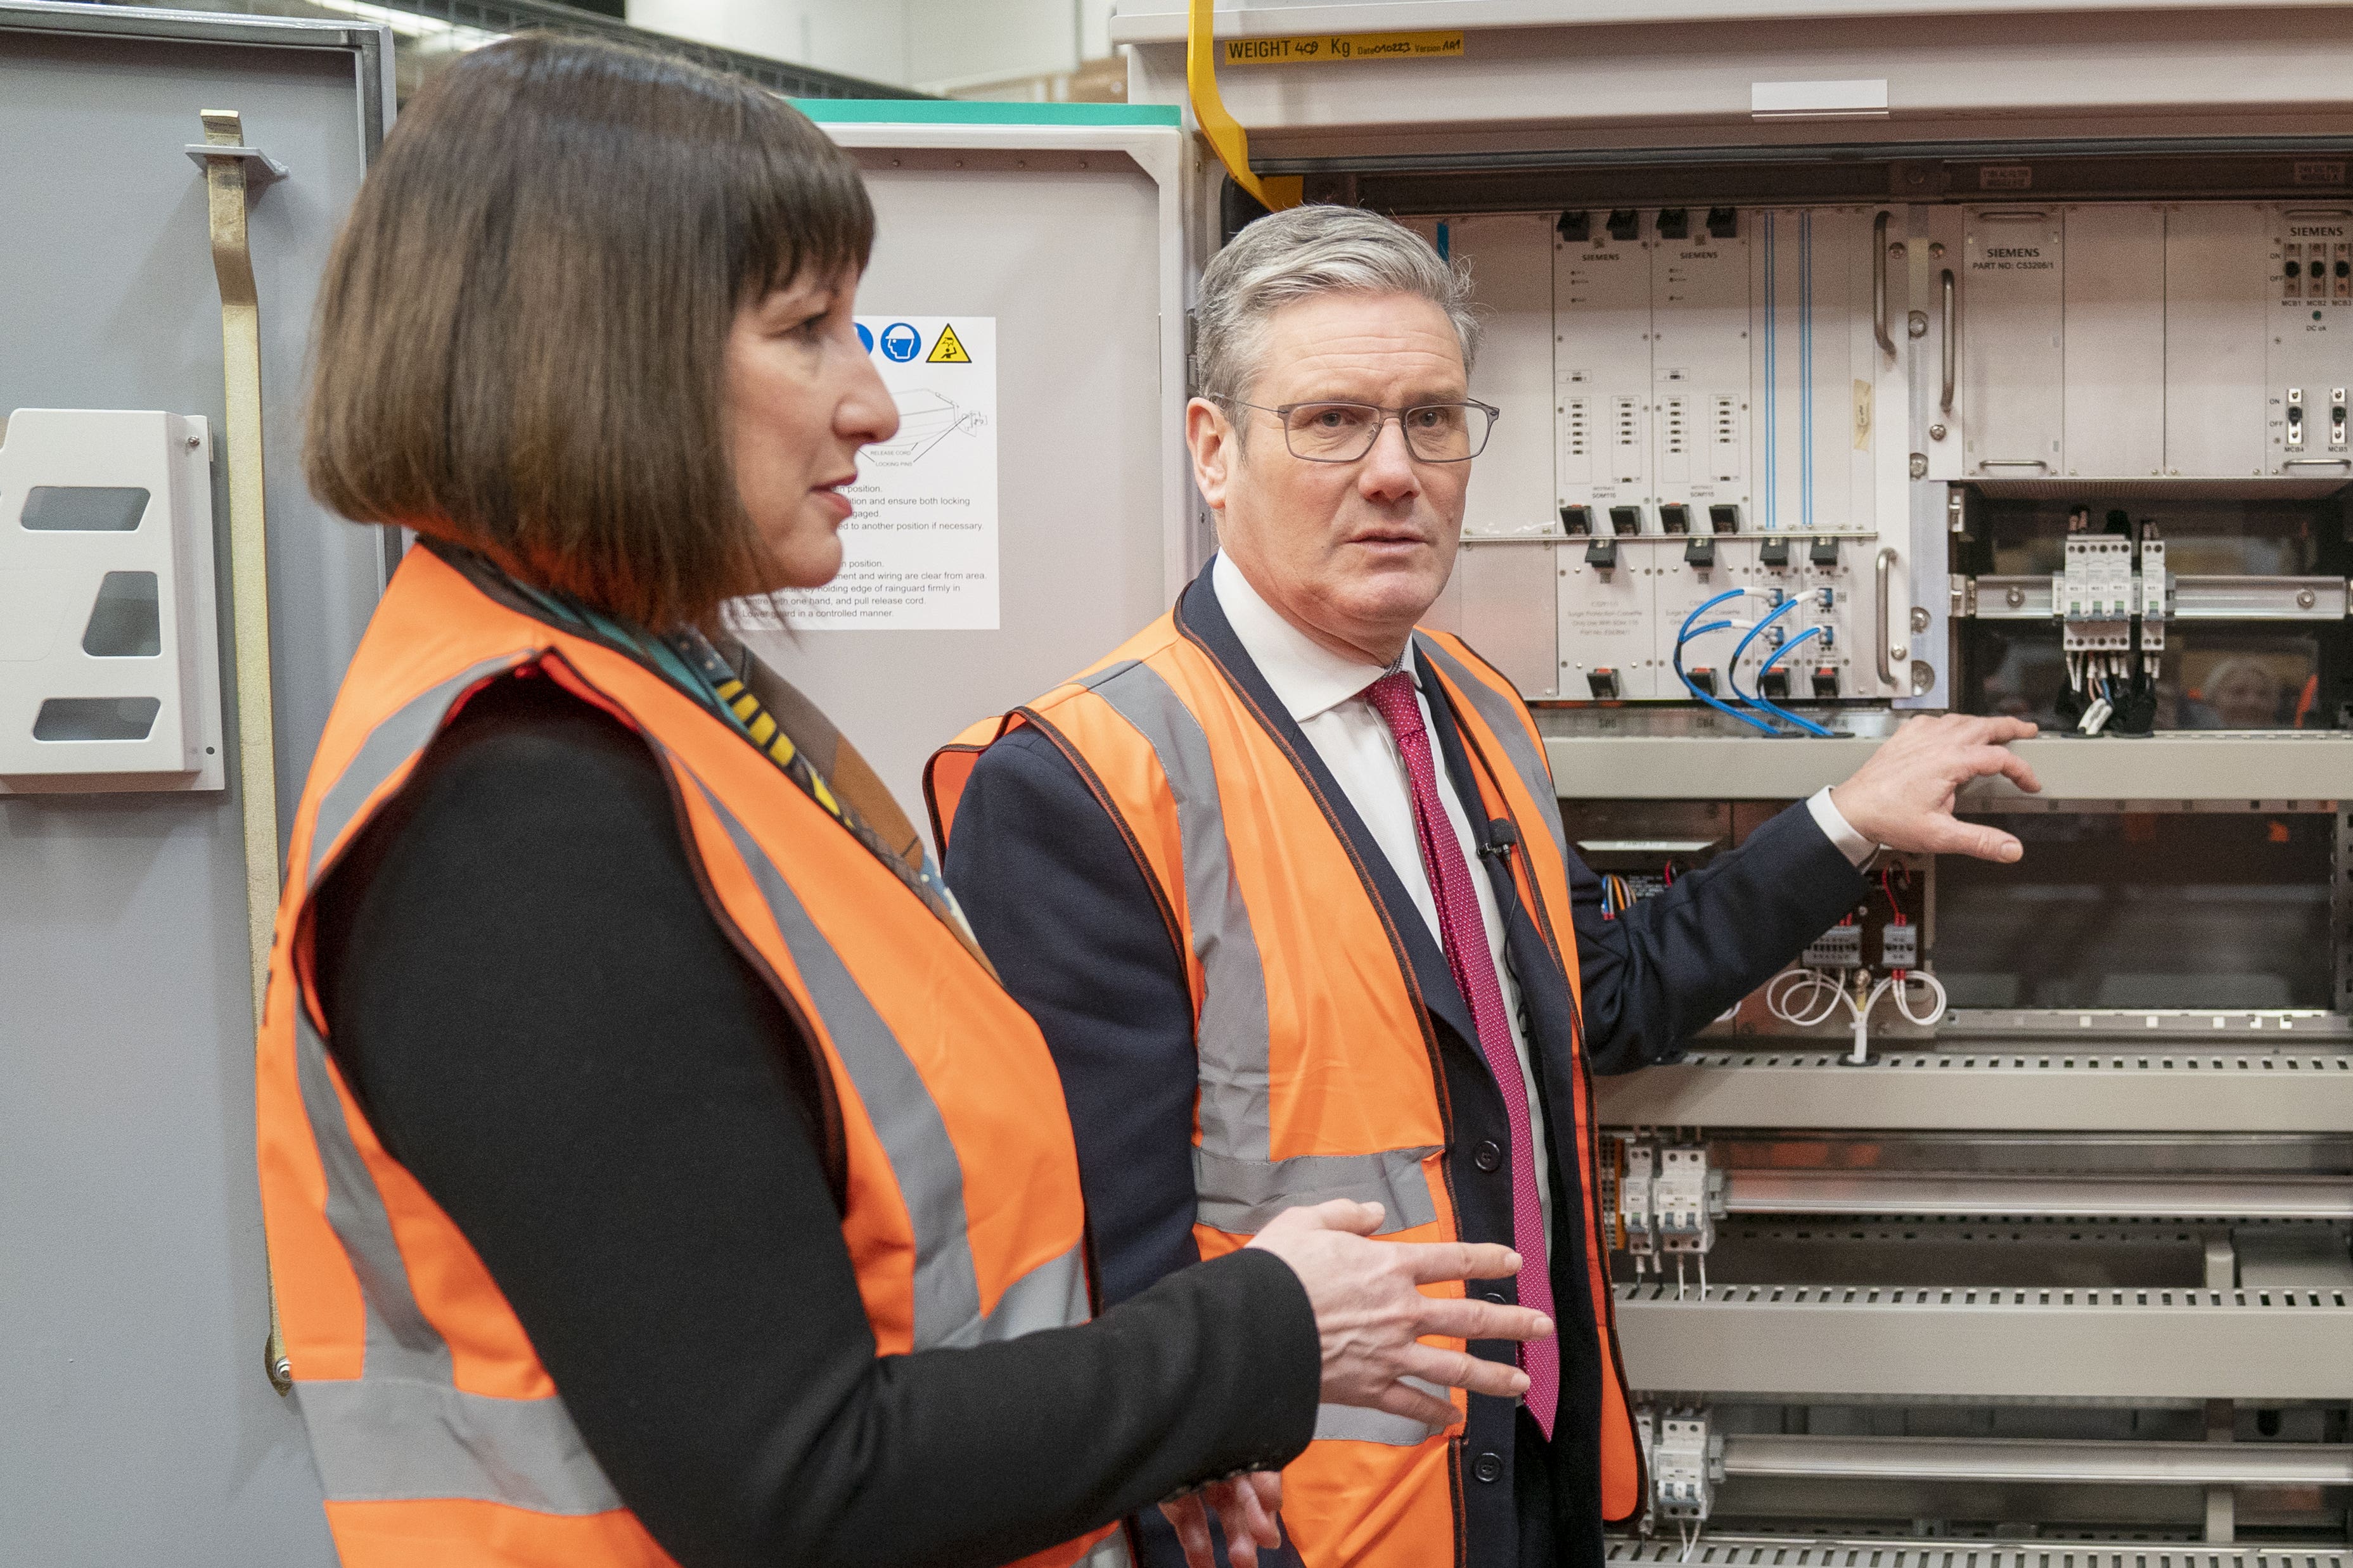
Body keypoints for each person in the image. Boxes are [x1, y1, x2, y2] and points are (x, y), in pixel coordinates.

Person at [255, 44, 1555, 1568]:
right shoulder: (513, 817)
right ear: (595, 355)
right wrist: (1256, 1335)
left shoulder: (674, 719)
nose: (875, 402)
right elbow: (801, 1476)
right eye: (808, 330)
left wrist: (1140, 1436)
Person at [930, 205, 2044, 1568]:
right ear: (1213, 452)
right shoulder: (1083, 780)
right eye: (1332, 420)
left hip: (1510, 1479)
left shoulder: (1473, 711)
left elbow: (1598, 1001)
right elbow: (1081, 1262)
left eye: (1433, 419)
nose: (1395, 471)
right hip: (1291, 1521)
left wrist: (1841, 821)